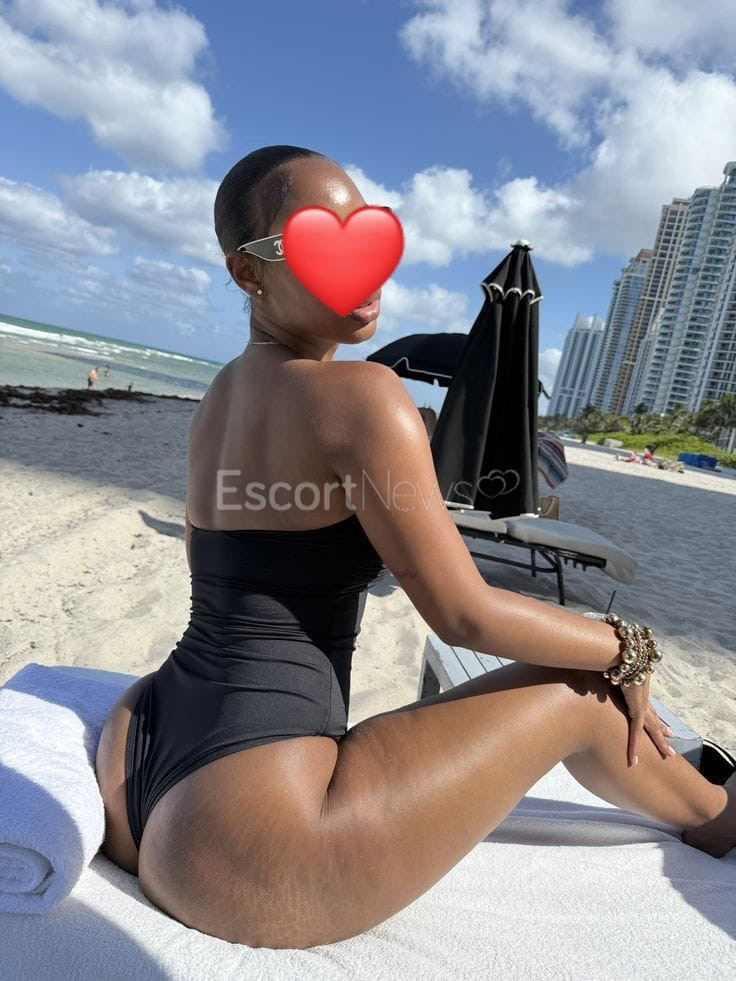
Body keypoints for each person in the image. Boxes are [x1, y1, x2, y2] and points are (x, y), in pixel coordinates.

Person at [94, 145, 735, 950]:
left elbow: (231, 572)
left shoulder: (218, 396)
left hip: (146, 751)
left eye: (367, 233)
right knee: (585, 687)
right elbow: (463, 614)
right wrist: (627, 645)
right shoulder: (364, 396)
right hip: (255, 832)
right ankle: (720, 816)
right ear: (248, 272)